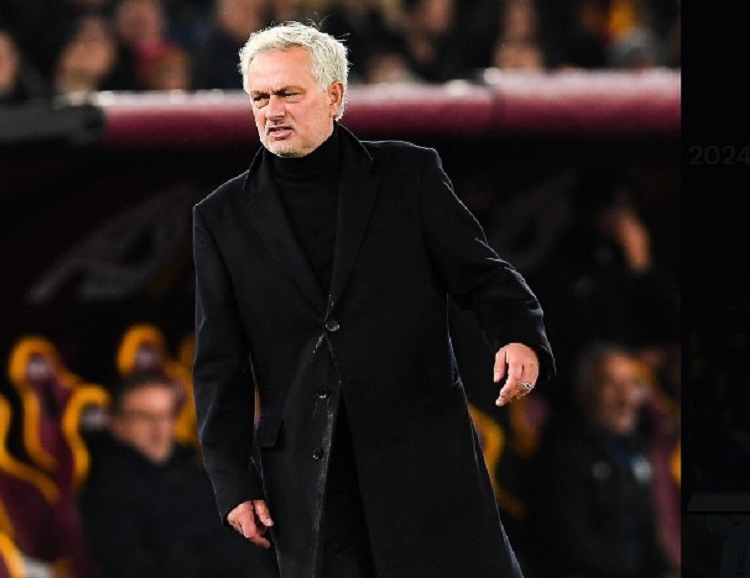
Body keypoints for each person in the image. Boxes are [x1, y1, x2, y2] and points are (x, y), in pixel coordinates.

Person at [190, 21, 555, 578]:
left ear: (335, 96)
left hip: (424, 461)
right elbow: (219, 365)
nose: (272, 112)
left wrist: (518, 335)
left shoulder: (409, 174)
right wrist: (232, 483)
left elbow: (484, 277)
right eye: (259, 98)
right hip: (309, 483)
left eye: (288, 94)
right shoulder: (220, 217)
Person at [77, 371, 279, 578]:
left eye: (167, 415)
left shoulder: (198, 467)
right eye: (145, 417)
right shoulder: (106, 490)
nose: (160, 429)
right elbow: (129, 566)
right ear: (117, 423)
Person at [522, 342, 676, 578]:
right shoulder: (562, 456)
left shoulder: (637, 452)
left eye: (632, 384)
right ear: (584, 394)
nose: (626, 397)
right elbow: (572, 548)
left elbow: (646, 533)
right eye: (611, 384)